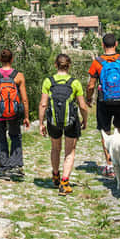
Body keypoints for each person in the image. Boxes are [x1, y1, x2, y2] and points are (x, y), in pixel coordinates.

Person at [85, 33, 120, 178]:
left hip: (104, 101)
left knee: (105, 131)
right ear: (116, 44)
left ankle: (109, 166)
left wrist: (88, 99)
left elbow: (90, 86)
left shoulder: (97, 62)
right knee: (119, 128)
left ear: (103, 45)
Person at [38, 53, 89, 195]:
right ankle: (65, 182)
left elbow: (43, 104)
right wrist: (84, 120)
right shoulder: (75, 83)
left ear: (56, 65)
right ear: (69, 66)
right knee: (69, 151)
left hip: (53, 122)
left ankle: (55, 176)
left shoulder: (48, 81)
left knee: (55, 148)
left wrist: (41, 123)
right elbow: (83, 106)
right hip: (71, 121)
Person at [0, 48, 30, 179]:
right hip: (15, 113)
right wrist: (27, 116)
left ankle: (4, 170)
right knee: (15, 136)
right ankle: (16, 166)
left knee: (1, 138)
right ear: (12, 59)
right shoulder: (19, 75)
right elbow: (24, 98)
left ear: (0, 60)